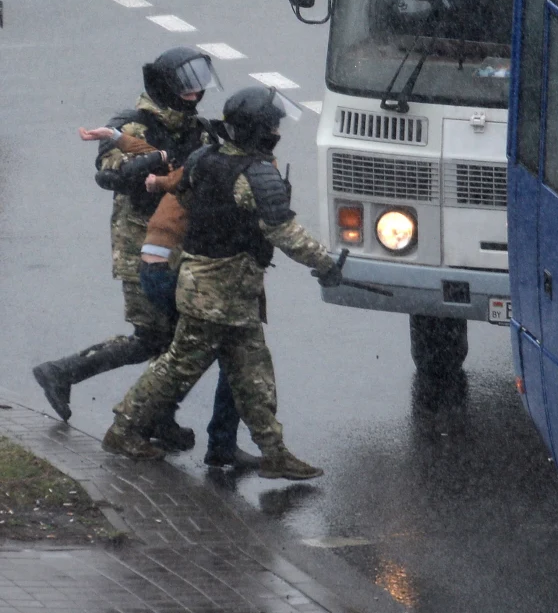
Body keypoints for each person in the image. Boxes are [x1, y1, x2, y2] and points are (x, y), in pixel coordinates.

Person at [102, 86, 342, 481]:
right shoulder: (254, 176)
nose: (278, 131)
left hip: (220, 291)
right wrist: (327, 265)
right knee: (177, 367)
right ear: (260, 131)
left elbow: (183, 191)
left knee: (253, 375)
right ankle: (123, 430)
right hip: (217, 297)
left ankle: (275, 453)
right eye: (274, 125)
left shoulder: (205, 158)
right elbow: (285, 233)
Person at [33, 47, 220, 451]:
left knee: (176, 339)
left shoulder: (197, 127)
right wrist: (154, 160)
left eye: (198, 87)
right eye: (185, 87)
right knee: (154, 338)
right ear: (164, 85)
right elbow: (110, 174)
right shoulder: (132, 125)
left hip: (181, 245)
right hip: (141, 248)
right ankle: (62, 372)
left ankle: (157, 417)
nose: (193, 95)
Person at [77, 126, 260, 469]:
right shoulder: (222, 169)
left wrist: (117, 136)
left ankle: (208, 440)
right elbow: (168, 164)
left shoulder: (210, 161)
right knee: (186, 359)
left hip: (175, 272)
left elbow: (162, 154)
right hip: (171, 275)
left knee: (217, 356)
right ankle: (131, 427)